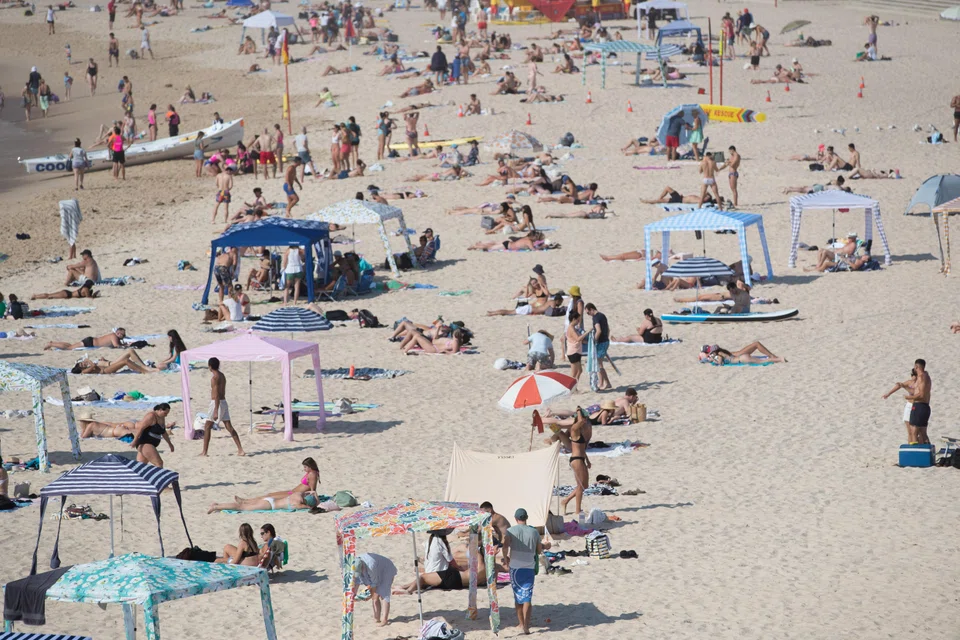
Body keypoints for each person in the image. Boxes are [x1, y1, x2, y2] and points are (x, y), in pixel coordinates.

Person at [503, 508, 549, 635]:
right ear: (526, 518)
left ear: (515, 518)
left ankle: (521, 623)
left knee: (518, 596)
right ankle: (526, 626)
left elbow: (505, 545)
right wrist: (545, 545)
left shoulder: (510, 531)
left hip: (515, 568)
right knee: (527, 596)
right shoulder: (534, 532)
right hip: (529, 566)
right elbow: (539, 550)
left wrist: (506, 558)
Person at [200, 357, 245, 457]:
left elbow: (216, 395)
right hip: (223, 402)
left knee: (207, 426)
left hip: (217, 403)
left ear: (210, 366)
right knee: (229, 426)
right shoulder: (222, 375)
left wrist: (216, 410)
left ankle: (204, 452)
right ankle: (240, 449)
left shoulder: (214, 378)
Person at [356, 553, 397, 627]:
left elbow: (374, 585)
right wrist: (353, 596)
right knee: (375, 597)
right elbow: (356, 582)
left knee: (384, 594)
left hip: (386, 569)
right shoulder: (355, 563)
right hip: (376, 568)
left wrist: (369, 595)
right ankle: (377, 618)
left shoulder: (371, 566)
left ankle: (384, 619)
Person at [882, 370, 919, 444]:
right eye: (912, 375)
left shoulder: (919, 384)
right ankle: (909, 449)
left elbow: (913, 392)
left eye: (915, 375)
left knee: (915, 432)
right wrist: (888, 394)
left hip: (916, 406)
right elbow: (899, 385)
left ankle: (916, 448)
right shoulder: (909, 382)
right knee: (909, 432)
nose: (913, 377)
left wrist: (905, 387)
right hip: (909, 406)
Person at [207, 491, 319, 513]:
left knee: (245, 504)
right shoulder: (299, 504)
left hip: (270, 500)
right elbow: (309, 507)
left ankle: (219, 506)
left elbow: (311, 491)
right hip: (270, 505)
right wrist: (315, 503)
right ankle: (216, 506)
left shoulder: (298, 494)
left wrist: (314, 494)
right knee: (242, 507)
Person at [904, 359, 931, 445]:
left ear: (916, 367)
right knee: (923, 433)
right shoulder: (926, 376)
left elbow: (921, 394)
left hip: (919, 406)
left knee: (914, 431)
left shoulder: (921, 377)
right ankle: (928, 454)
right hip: (924, 406)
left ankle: (915, 453)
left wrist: (910, 397)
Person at [585, 303, 611, 390]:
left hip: (601, 342)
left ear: (591, 309)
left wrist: (594, 341)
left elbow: (598, 331)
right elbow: (608, 329)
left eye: (588, 313)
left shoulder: (595, 318)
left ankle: (602, 383)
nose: (588, 315)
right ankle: (606, 383)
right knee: (599, 363)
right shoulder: (602, 315)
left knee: (598, 364)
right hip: (605, 341)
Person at [703, 342, 786, 365]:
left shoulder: (718, 355)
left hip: (741, 358)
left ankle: (779, 359)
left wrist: (713, 360)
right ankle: (776, 358)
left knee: (763, 361)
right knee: (762, 360)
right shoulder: (723, 351)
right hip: (740, 356)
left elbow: (720, 361)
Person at [44, 328, 126, 351]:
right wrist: (124, 346)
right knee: (69, 348)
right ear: (118, 333)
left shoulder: (114, 336)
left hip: (91, 341)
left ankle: (53, 343)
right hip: (90, 343)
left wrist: (123, 344)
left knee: (71, 345)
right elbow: (116, 346)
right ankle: (51, 344)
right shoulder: (114, 336)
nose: (124, 336)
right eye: (123, 334)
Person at [641, 185, 716, 206]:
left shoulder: (701, 200)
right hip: (680, 197)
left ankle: (647, 201)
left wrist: (708, 196)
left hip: (679, 200)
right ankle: (658, 199)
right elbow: (706, 192)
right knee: (667, 188)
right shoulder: (700, 198)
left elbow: (706, 194)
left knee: (660, 200)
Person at [30, 281, 99, 301]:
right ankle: (35, 296)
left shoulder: (85, 288)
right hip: (67, 294)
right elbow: (89, 297)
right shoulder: (86, 289)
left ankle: (36, 296)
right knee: (49, 295)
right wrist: (95, 295)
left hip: (67, 293)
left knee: (50, 295)